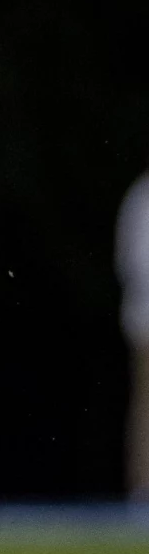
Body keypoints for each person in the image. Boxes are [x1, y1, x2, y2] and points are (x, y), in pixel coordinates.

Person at [118, 163, 149, 501]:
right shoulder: (143, 198)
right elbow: (135, 265)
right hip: (146, 321)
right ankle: (144, 490)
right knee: (146, 409)